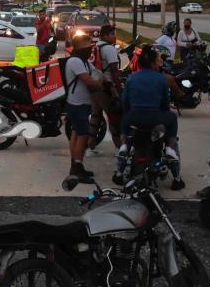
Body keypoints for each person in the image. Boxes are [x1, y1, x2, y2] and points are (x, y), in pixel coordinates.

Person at [120, 45, 185, 190]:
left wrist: (130, 115)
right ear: (151, 63)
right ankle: (175, 173)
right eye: (158, 60)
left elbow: (125, 103)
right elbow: (165, 104)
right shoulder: (161, 79)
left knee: (125, 126)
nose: (159, 63)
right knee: (172, 118)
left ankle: (119, 167)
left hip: (133, 118)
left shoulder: (131, 78)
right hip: (154, 118)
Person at [63, 33, 105, 186]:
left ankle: (76, 165)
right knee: (82, 135)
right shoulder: (75, 61)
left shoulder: (84, 62)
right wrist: (100, 85)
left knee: (75, 133)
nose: (90, 50)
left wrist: (101, 80)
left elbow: (98, 74)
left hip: (81, 104)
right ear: (80, 47)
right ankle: (77, 169)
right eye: (88, 48)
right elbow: (89, 80)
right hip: (77, 104)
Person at [88, 24, 122, 152]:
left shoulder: (95, 46)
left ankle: (90, 146)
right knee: (114, 115)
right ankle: (118, 147)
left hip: (94, 85)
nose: (114, 36)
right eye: (112, 34)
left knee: (95, 116)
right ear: (105, 35)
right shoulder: (109, 49)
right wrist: (118, 89)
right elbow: (114, 70)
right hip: (106, 87)